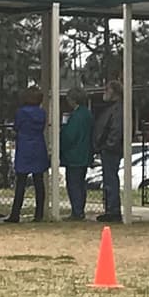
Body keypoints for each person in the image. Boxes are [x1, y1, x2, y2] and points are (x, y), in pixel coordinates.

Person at [7, 87, 50, 223]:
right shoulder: (42, 113)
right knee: (39, 182)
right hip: (38, 146)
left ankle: (15, 214)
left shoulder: (21, 112)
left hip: (25, 147)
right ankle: (39, 214)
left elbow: (17, 127)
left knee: (21, 182)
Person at [92, 81, 125, 223]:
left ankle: (113, 210)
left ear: (115, 92)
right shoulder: (111, 108)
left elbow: (116, 129)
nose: (104, 92)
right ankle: (110, 209)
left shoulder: (117, 109)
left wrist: (108, 145)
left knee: (110, 179)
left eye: (107, 89)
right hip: (107, 148)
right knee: (108, 179)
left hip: (111, 150)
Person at [60, 87, 94, 221]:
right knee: (81, 184)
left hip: (74, 155)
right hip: (84, 154)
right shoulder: (87, 114)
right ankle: (80, 209)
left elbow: (69, 136)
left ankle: (77, 211)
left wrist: (61, 144)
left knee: (73, 184)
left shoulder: (76, 116)